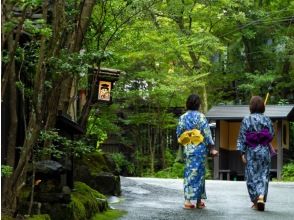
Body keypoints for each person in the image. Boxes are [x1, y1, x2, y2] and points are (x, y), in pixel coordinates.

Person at [176, 94, 218, 209]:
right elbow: (207, 134)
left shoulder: (183, 117)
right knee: (200, 173)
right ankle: (199, 201)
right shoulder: (201, 117)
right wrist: (212, 148)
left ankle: (188, 200)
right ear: (198, 104)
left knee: (189, 172)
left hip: (188, 148)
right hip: (200, 149)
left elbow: (178, 134)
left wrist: (186, 139)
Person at [236, 96, 275, 211]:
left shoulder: (246, 119)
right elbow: (271, 135)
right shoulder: (267, 119)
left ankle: (255, 199)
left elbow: (242, 137)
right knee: (263, 174)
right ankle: (261, 196)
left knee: (251, 175)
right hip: (263, 150)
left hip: (251, 150)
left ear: (251, 107)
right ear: (263, 106)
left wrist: (242, 152)